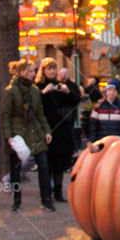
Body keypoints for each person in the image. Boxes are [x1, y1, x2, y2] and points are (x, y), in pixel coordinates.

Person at [1, 59, 53, 212]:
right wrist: (8, 136)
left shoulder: (35, 91)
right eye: (30, 71)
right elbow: (6, 115)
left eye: (33, 71)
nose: (33, 74)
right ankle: (17, 200)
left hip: (35, 131)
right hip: (18, 133)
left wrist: (47, 130)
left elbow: (40, 114)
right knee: (15, 168)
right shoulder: (10, 91)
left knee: (43, 165)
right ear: (22, 72)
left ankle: (46, 200)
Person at [36, 61, 79, 203]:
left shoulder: (60, 85)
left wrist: (68, 92)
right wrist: (44, 92)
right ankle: (47, 192)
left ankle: (58, 191)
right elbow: (36, 105)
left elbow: (74, 102)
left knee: (60, 163)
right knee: (47, 163)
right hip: (47, 129)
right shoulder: (39, 86)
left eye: (54, 69)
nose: (52, 72)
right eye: (49, 69)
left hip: (62, 130)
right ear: (43, 70)